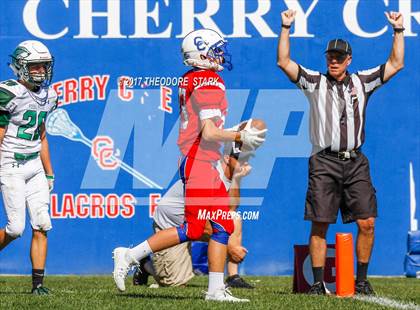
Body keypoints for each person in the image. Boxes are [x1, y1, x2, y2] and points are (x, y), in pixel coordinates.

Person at [112, 29, 266, 302]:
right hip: (200, 162)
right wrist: (240, 135)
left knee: (222, 225)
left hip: (198, 158)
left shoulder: (191, 78)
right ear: (202, 53)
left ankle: (216, 290)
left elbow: (203, 128)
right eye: (215, 50)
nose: (221, 54)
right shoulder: (209, 80)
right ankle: (131, 254)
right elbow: (208, 133)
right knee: (194, 229)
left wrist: (231, 132)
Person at [277, 10, 404, 295]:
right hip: (324, 161)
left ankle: (361, 281)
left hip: (355, 160)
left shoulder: (362, 81)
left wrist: (398, 30)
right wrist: (286, 26)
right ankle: (318, 283)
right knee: (320, 223)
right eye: (330, 57)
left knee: (367, 222)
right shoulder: (314, 82)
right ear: (326, 59)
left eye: (339, 57)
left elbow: (396, 63)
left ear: (349, 60)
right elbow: (283, 61)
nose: (333, 61)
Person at [133, 119, 266, 289]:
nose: (247, 162)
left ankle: (232, 277)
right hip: (172, 223)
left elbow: (230, 209)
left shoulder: (228, 170)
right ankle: (145, 265)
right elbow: (204, 223)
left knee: (234, 218)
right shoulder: (209, 172)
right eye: (244, 158)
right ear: (227, 157)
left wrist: (237, 178)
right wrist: (231, 247)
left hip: (192, 222)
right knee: (176, 284)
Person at [0, 40, 57, 295]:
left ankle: (38, 285)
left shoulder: (49, 95)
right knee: (15, 228)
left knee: (42, 223)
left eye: (44, 66)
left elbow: (42, 136)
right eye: (35, 66)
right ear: (21, 67)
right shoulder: (9, 92)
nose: (41, 71)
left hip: (34, 165)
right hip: (10, 163)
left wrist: (49, 172)